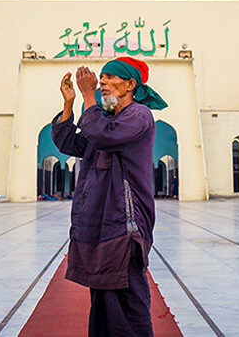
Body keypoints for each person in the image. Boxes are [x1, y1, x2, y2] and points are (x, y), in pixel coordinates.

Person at [51, 56, 168, 337]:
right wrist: (69, 103)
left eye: (110, 78)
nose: (102, 82)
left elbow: (104, 136)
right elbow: (71, 142)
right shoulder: (104, 120)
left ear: (131, 84)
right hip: (101, 224)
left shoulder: (138, 115)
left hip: (124, 224)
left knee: (127, 302)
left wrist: (88, 96)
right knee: (103, 302)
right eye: (100, 78)